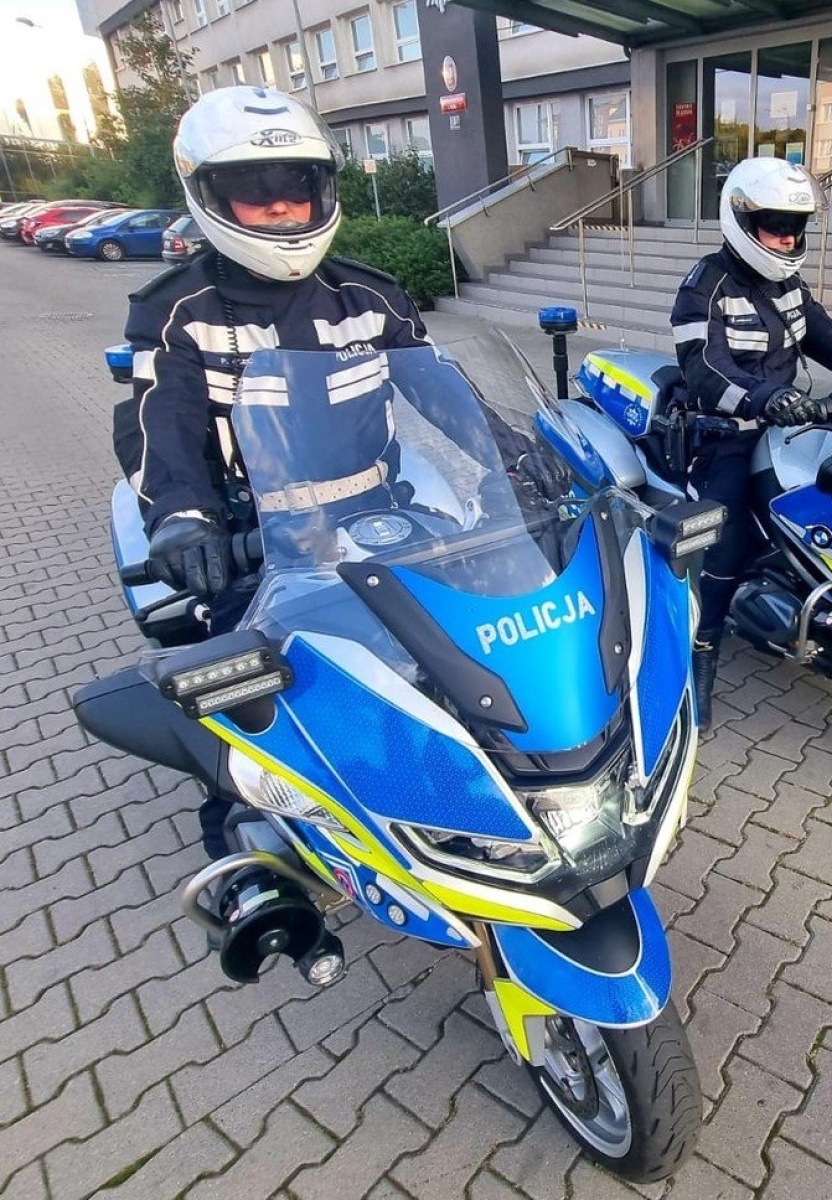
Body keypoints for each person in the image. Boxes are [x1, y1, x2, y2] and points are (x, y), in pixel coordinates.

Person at [120, 85, 551, 858]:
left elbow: (443, 391)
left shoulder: (368, 294)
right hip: (256, 534)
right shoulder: (180, 311)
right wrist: (183, 519)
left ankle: (492, 786)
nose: (282, 208)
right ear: (206, 197)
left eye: (298, 185)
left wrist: (518, 454)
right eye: (254, 191)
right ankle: (245, 862)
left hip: (382, 510)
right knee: (246, 706)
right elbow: (162, 424)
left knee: (474, 634)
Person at [669, 158, 832, 727]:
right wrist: (764, 397)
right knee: (726, 537)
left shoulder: (788, 287)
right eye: (776, 225)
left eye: (796, 226)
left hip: (788, 426)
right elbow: (705, 368)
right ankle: (700, 652)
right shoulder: (705, 287)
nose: (788, 238)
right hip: (727, 431)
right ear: (741, 221)